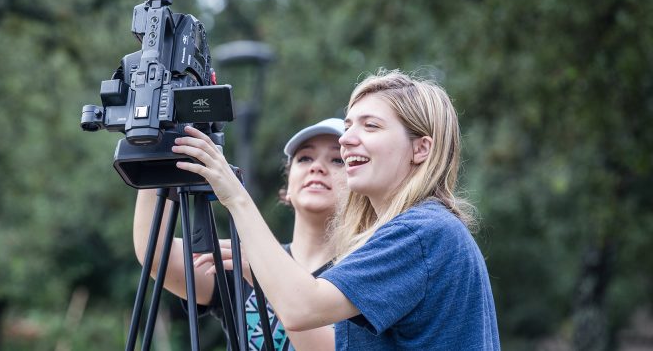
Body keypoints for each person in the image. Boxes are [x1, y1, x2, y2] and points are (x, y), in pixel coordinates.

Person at [172, 69, 500, 350]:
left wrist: (235, 197)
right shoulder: (414, 233)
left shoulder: (421, 232)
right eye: (349, 125)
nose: (346, 139)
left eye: (370, 126)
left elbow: (300, 307)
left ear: (421, 149)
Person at [133, 118, 346, 350]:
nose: (317, 167)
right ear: (286, 190)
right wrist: (157, 138)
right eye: (305, 158)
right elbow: (157, 255)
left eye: (337, 160)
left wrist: (266, 281)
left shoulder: (363, 272)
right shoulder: (241, 259)